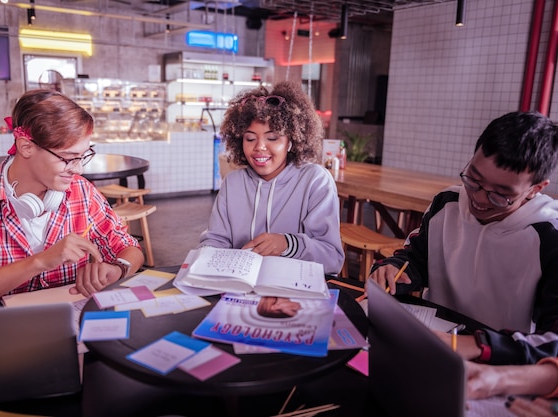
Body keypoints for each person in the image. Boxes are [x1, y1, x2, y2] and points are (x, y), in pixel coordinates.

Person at [369, 111, 558, 365]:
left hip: (499, 363)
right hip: (432, 342)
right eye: (474, 179)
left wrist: (475, 346)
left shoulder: (549, 236)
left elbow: (552, 342)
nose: (479, 199)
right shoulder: (447, 203)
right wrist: (393, 270)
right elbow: (416, 259)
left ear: (535, 189)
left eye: (501, 194)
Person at [0, 89, 144, 311]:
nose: (79, 170)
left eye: (83, 156)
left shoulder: (82, 193)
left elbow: (129, 247)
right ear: (26, 146)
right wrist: (40, 262)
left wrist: (119, 268)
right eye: (69, 158)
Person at [198, 81, 344, 275]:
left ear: (291, 140)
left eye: (272, 138)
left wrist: (287, 244)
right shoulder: (233, 183)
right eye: (250, 138)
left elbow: (332, 258)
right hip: (239, 287)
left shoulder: (315, 181)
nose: (259, 147)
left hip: (293, 292)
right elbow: (216, 239)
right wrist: (205, 257)